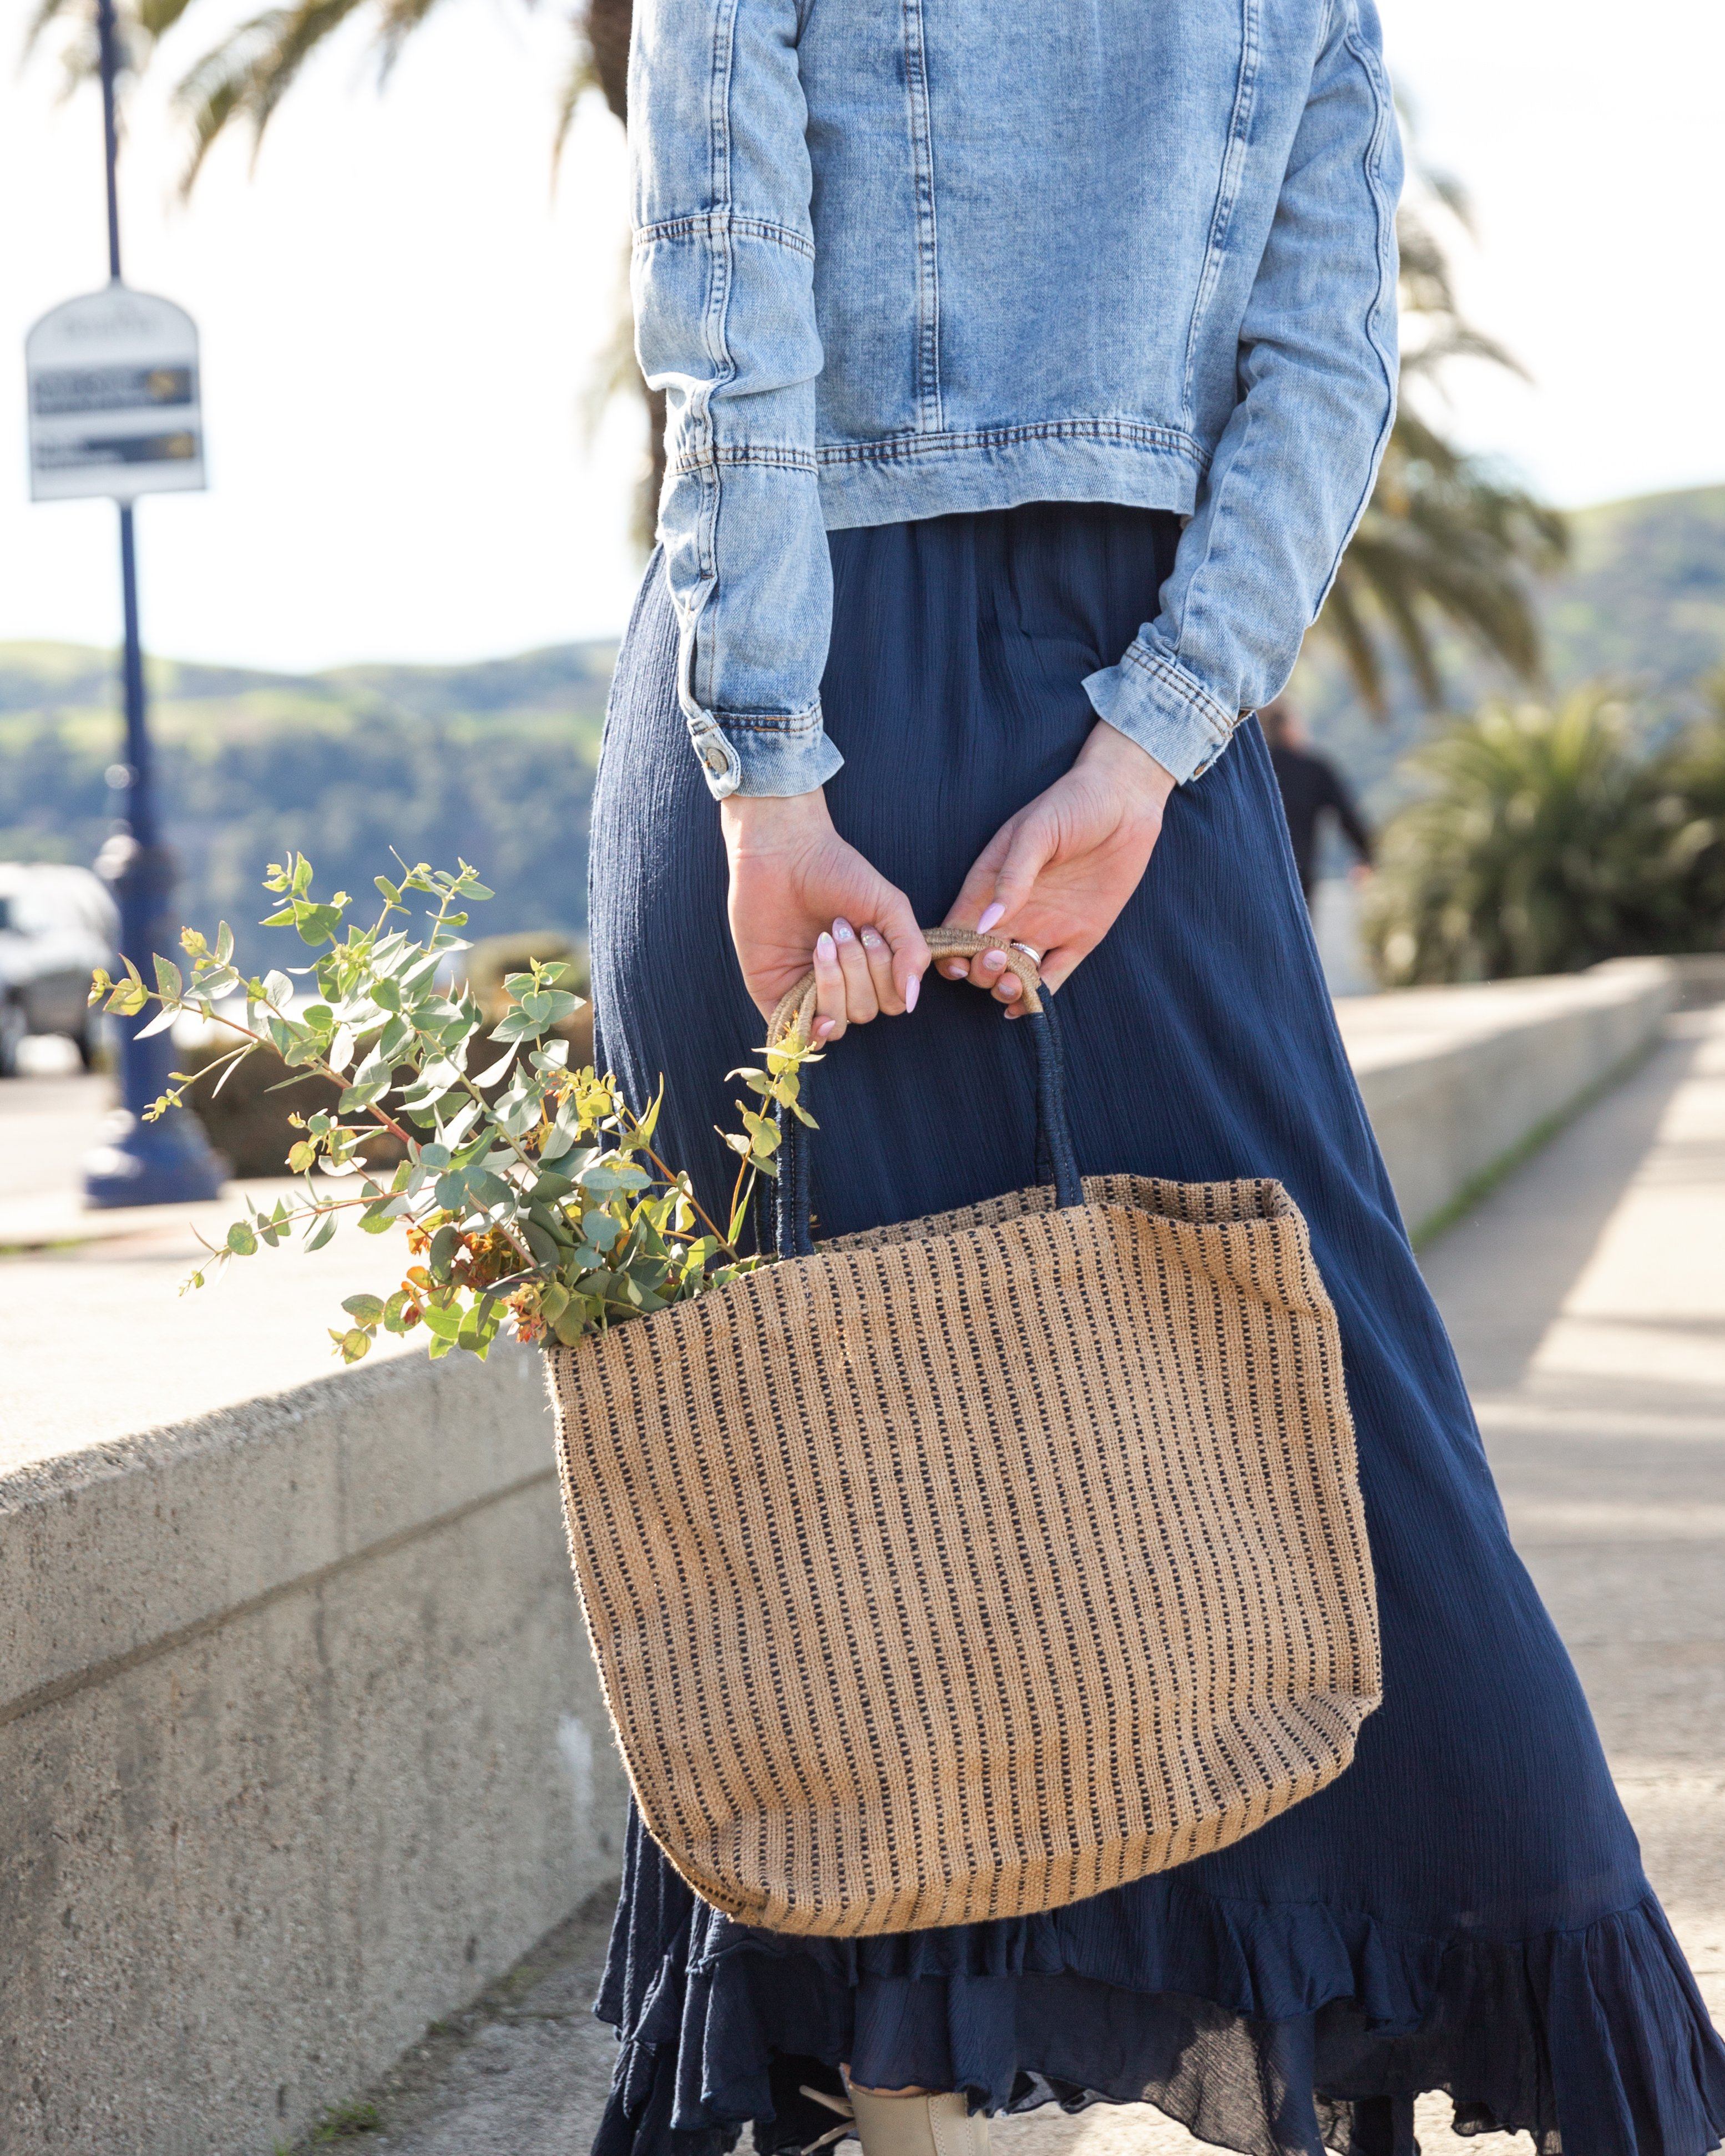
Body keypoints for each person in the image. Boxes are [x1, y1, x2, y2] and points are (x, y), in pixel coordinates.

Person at [584, 6, 1725, 2156]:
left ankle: (900, 2082)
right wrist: (1155, 743)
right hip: (1128, 735)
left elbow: (719, 290)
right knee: (1319, 1421)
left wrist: (768, 768)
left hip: (803, 704)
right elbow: (1324, 373)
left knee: (811, 1488)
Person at [1259, 698, 1375, 902]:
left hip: (1252, 872)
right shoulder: (1313, 769)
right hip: (1298, 877)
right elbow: (1348, 818)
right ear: (1287, 728)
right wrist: (1369, 858)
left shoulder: (1251, 772)